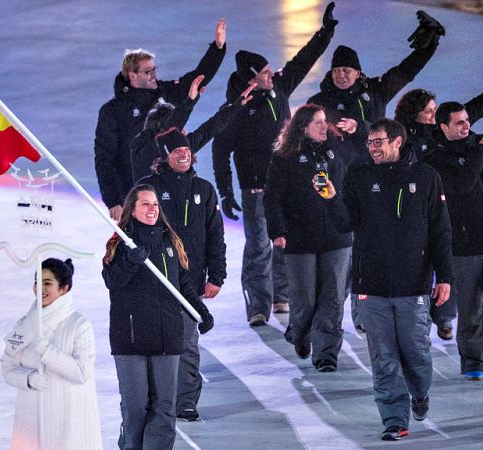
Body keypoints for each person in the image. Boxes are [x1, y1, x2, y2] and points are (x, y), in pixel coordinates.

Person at [320, 118, 453, 441]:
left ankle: (419, 393)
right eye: (370, 143)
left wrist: (445, 277)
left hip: (414, 285)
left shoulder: (426, 177)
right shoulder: (359, 177)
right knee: (383, 357)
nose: (372, 148)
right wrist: (331, 198)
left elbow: (440, 231)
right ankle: (394, 419)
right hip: (371, 286)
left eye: (378, 142)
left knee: (416, 354)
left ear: (397, 141)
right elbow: (345, 224)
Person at [212, 2, 338, 326]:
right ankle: (258, 305)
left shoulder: (278, 87)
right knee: (258, 246)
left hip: (287, 183)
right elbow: (220, 150)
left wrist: (325, 32)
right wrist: (226, 192)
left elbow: (303, 60)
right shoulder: (235, 108)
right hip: (255, 188)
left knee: (284, 240)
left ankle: (282, 294)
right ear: (251, 80)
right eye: (265, 73)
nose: (272, 74)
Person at [103, 184, 214, 449]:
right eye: (145, 204)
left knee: (164, 405)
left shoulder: (170, 241)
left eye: (155, 204)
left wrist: (201, 312)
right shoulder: (121, 243)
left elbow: (183, 284)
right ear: (132, 209)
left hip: (167, 335)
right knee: (136, 405)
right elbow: (112, 282)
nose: (152, 209)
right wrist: (130, 261)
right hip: (131, 337)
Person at [137, 127, 229, 421]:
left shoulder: (204, 189)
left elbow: (215, 235)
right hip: (155, 281)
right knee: (156, 344)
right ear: (165, 156)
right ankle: (156, 400)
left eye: (187, 150)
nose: (183, 155)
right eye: (177, 151)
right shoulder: (148, 188)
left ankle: (186, 401)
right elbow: (132, 231)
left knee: (188, 344)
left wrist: (217, 275)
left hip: (192, 282)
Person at [393, 81, 483, 340]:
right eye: (428, 111)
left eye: (434, 109)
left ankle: (444, 318)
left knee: (448, 271)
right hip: (420, 215)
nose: (433, 113)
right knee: (431, 273)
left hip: (453, 221)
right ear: (415, 115)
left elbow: (476, 108)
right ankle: (422, 324)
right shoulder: (409, 142)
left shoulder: (456, 136)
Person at [95, 19, 227, 221]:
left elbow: (197, 79)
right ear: (132, 76)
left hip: (169, 188)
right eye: (148, 71)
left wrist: (217, 48)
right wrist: (112, 200)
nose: (153, 75)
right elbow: (104, 158)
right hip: (133, 193)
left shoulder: (165, 92)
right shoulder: (112, 111)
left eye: (154, 69)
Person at [264, 104, 359, 372]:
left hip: (337, 237)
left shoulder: (338, 148)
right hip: (300, 238)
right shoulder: (285, 156)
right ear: (303, 127)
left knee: (333, 297)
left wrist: (358, 128)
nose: (323, 125)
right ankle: (301, 333)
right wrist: (277, 230)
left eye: (324, 120)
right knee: (304, 298)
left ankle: (326, 354)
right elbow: (272, 196)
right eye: (317, 122)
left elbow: (363, 155)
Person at [307, 10, 445, 166]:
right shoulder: (318, 102)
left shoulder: (377, 90)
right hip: (337, 172)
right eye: (336, 70)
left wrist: (431, 42)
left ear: (357, 73)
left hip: (375, 169)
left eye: (346, 70)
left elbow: (406, 71)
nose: (341, 75)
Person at [423, 102, 483, 387]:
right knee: (469, 310)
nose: (466, 125)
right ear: (443, 127)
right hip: (464, 248)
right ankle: (472, 361)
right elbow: (463, 186)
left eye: (467, 120)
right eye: (459, 122)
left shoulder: (480, 147)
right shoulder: (436, 159)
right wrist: (482, 150)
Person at [1, 258, 102, 449]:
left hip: (67, 420)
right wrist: (28, 379)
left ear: (64, 288)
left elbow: (82, 372)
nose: (40, 288)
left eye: (47, 283)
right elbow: (7, 367)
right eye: (37, 282)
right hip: (31, 419)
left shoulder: (79, 325)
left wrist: (47, 352)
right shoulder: (25, 325)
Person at [395, 81, 483, 162]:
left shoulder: (443, 120)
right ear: (413, 115)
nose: (435, 114)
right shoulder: (404, 143)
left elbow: (478, 106)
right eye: (429, 112)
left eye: (435, 108)